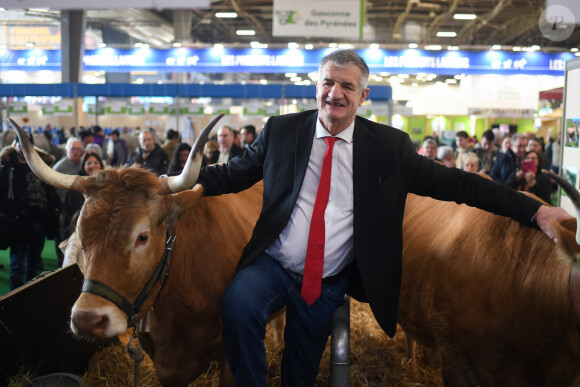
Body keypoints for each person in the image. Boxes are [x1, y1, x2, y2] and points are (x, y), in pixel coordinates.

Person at [196, 49, 570, 386]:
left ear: (363, 96)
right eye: (327, 82)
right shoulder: (281, 131)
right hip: (273, 263)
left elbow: (459, 184)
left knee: (301, 368)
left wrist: (533, 209)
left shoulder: (389, 148)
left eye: (347, 85)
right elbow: (232, 175)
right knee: (239, 303)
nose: (335, 93)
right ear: (316, 86)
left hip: (326, 279)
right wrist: (173, 184)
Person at [0, 133, 61, 290]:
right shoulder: (6, 168)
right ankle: (15, 300)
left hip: (38, 222)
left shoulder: (40, 166)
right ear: (14, 146)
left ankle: (30, 297)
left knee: (34, 264)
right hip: (17, 224)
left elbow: (50, 192)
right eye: (20, 144)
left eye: (27, 145)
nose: (22, 148)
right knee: (17, 266)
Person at [61, 152, 104, 243]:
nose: (93, 166)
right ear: (83, 166)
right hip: (78, 234)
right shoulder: (76, 187)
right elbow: (71, 215)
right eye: (88, 163)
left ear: (101, 165)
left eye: (96, 162)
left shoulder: (107, 185)